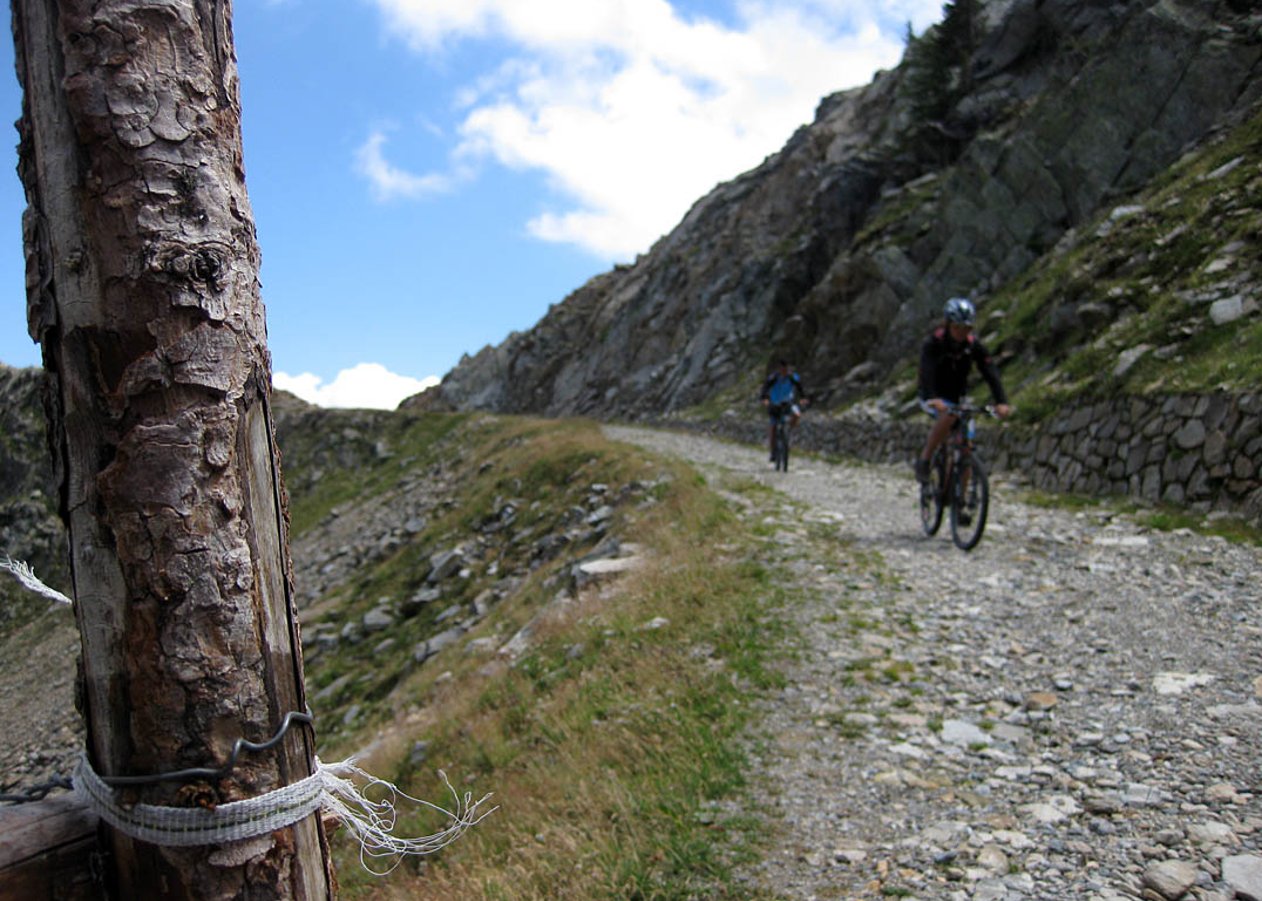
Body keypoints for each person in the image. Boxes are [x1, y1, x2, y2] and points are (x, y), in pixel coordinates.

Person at [915, 297, 1011, 485]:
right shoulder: (933, 344)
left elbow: (990, 373)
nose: (961, 332)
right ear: (948, 325)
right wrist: (933, 398)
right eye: (957, 327)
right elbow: (926, 372)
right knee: (948, 416)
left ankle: (963, 501)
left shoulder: (973, 346)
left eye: (966, 328)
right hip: (931, 396)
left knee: (966, 447)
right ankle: (925, 458)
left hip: (957, 397)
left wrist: (1001, 401)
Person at [760, 360, 808, 461]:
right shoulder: (773, 377)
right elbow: (765, 388)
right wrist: (765, 399)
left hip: (788, 403)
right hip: (775, 403)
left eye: (786, 369)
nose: (784, 371)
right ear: (779, 369)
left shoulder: (792, 377)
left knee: (797, 414)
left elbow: (800, 387)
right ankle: (773, 452)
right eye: (782, 369)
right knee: (773, 427)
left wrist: (803, 398)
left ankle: (789, 431)